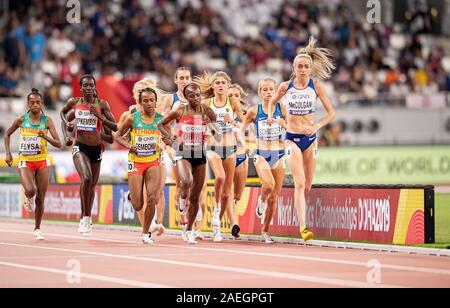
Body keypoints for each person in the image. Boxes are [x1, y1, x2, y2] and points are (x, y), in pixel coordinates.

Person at [267, 37, 336, 241]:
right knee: (299, 183)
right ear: (294, 68)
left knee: (307, 185)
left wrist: (316, 126)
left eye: (306, 66)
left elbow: (331, 114)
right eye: (300, 66)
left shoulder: (316, 86)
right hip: (291, 138)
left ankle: (300, 215)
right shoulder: (285, 86)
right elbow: (272, 103)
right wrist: (272, 116)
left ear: (310, 68)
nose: (303, 70)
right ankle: (303, 227)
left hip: (311, 139)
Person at [158, 83, 220, 245]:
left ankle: (190, 229)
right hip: (182, 152)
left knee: (195, 198)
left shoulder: (207, 111)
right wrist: (171, 139)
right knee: (186, 182)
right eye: (192, 95)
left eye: (198, 95)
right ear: (186, 97)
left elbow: (218, 135)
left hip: (200, 154)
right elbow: (160, 124)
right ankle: (181, 198)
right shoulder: (180, 110)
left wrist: (211, 126)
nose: (196, 98)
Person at [60, 74, 118, 235]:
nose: (88, 88)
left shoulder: (102, 104)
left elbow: (114, 130)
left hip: (96, 149)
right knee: (86, 178)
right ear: (81, 88)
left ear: (94, 87)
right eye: (85, 85)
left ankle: (88, 217)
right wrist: (67, 132)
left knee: (91, 184)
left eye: (91, 85)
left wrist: (100, 117)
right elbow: (63, 114)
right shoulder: (75, 103)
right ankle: (84, 218)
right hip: (80, 146)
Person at [4, 88, 62, 240]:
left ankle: (37, 228)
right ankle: (27, 196)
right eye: (32, 102)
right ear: (28, 104)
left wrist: (46, 137)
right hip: (25, 160)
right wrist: (8, 153)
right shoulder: (21, 120)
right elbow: (7, 134)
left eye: (38, 102)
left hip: (42, 160)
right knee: (31, 190)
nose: (35, 105)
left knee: (41, 198)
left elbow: (58, 143)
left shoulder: (47, 121)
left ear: (41, 104)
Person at [195, 71, 245, 242]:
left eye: (223, 82)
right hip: (213, 148)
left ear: (227, 84)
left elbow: (244, 121)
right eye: (217, 83)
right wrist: (207, 130)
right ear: (213, 86)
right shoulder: (206, 103)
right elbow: (197, 122)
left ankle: (216, 222)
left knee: (226, 193)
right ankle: (216, 217)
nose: (220, 85)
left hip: (230, 148)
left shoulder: (232, 102)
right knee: (220, 177)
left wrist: (234, 123)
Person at [114, 78, 167, 238]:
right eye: (139, 90)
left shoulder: (160, 116)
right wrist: (129, 145)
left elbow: (170, 134)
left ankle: (156, 224)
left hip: (155, 158)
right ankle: (137, 202)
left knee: (156, 193)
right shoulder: (129, 115)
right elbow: (117, 134)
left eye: (146, 89)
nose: (148, 101)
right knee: (138, 201)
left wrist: (168, 143)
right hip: (136, 160)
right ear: (136, 96)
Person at [242, 79, 287, 244]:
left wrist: (283, 123)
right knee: (268, 185)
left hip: (279, 153)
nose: (268, 92)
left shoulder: (281, 109)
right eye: (265, 90)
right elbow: (242, 129)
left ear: (276, 92)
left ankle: (265, 231)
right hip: (261, 152)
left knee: (274, 198)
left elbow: (291, 127)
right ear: (260, 92)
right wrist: (244, 144)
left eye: (271, 90)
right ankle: (261, 201)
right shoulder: (255, 111)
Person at [161, 67, 191, 231]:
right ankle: (183, 216)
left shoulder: (196, 98)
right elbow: (163, 122)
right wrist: (170, 140)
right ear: (176, 80)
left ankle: (194, 222)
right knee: (181, 182)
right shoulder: (170, 99)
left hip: (195, 145)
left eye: (187, 78)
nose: (184, 81)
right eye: (181, 78)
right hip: (176, 145)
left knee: (194, 184)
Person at [227, 84, 250, 238]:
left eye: (236, 95)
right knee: (227, 191)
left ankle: (232, 209)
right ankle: (233, 223)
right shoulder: (221, 113)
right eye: (230, 96)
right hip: (227, 154)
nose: (233, 98)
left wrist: (235, 126)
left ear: (240, 98)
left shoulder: (247, 114)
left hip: (242, 155)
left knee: (238, 195)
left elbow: (253, 135)